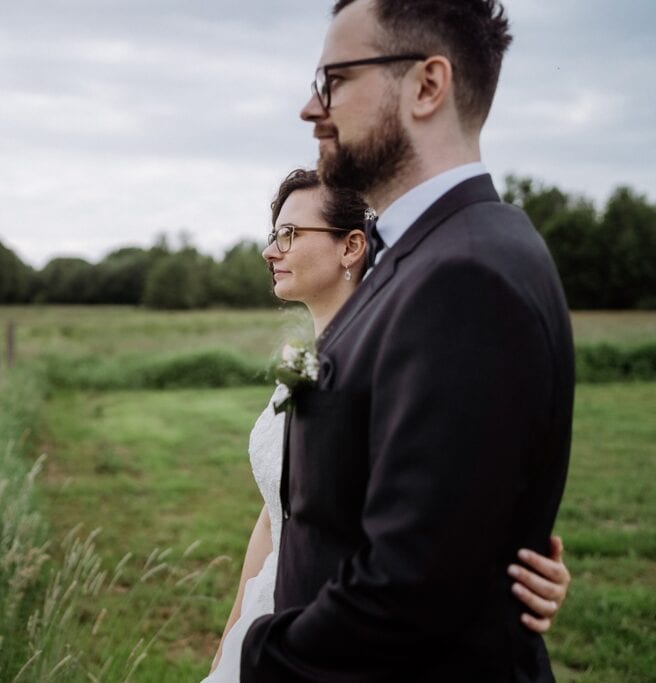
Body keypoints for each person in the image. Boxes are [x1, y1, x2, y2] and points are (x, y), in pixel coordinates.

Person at [241, 0, 575, 680]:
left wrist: (261, 655)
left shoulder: (466, 276)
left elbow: (411, 590)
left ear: (427, 85)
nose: (312, 108)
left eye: (334, 79)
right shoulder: (425, 253)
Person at [203, 170, 571, 682]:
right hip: (269, 615)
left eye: (289, 234)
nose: (270, 250)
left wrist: (509, 576)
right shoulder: (304, 364)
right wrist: (234, 633)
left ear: (351, 246)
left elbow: (440, 513)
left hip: (342, 632)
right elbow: (274, 515)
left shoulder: (399, 362)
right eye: (273, 235)